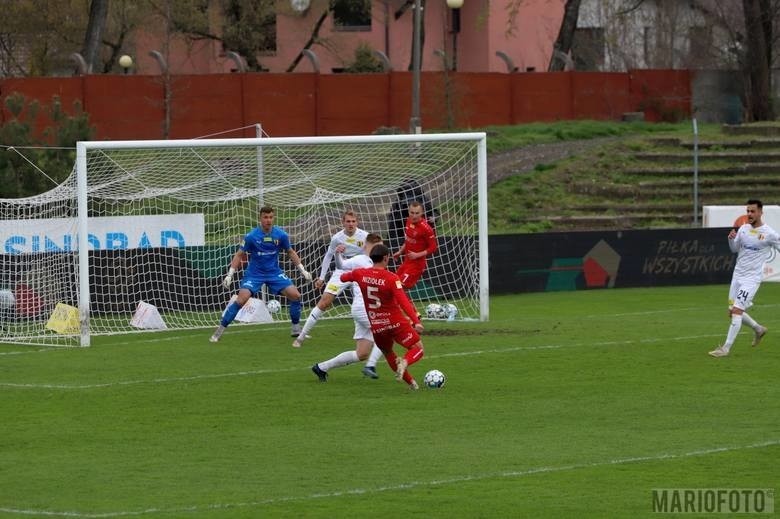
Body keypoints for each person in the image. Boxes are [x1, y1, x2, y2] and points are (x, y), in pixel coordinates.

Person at [211, 206, 312, 342]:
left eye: (271, 217)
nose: (268, 220)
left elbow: (290, 252)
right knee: (241, 300)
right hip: (254, 274)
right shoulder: (251, 236)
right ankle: (219, 331)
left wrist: (303, 270)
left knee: (295, 295)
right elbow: (239, 254)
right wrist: (230, 274)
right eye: (265, 217)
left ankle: (295, 328)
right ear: (260, 218)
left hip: (274, 273)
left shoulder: (281, 235)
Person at [338, 244, 425, 389]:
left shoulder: (360, 273)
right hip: (396, 323)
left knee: (387, 352)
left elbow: (342, 277)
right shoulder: (391, 278)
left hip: (377, 326)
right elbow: (403, 301)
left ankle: (412, 384)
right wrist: (416, 321)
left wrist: (352, 274)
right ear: (386, 258)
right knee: (418, 348)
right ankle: (404, 362)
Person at [709, 199, 780, 357]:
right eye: (748, 211)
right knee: (731, 311)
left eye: (753, 211)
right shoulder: (743, 229)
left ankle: (725, 349)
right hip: (737, 275)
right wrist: (730, 238)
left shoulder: (769, 234)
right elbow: (734, 249)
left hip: (751, 279)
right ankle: (758, 329)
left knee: (736, 311)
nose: (749, 214)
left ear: (761, 212)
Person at [310, 233, 384, 381]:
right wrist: (337, 253)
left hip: (367, 308)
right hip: (363, 308)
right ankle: (371, 366)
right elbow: (341, 266)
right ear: (365, 247)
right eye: (376, 247)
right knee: (387, 333)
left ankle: (321, 368)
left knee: (361, 353)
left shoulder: (379, 263)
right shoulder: (360, 260)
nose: (379, 250)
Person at [292, 210, 368, 348]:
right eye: (348, 221)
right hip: (342, 271)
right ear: (343, 222)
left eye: (353, 221)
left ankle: (364, 334)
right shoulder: (337, 238)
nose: (350, 224)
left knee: (363, 303)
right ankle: (301, 337)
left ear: (357, 222)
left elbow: (369, 256)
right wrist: (321, 278)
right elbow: (328, 256)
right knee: (324, 302)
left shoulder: (364, 237)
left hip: (359, 272)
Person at [392, 200, 438, 290]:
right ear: (408, 212)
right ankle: (402, 304)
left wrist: (417, 255)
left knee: (399, 286)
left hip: (417, 265)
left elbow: (433, 247)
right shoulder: (408, 221)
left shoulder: (426, 229)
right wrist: (400, 251)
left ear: (422, 213)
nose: (414, 215)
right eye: (412, 212)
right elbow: (408, 240)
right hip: (407, 261)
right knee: (395, 283)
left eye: (417, 213)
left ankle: (404, 304)